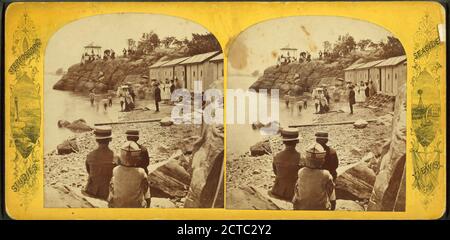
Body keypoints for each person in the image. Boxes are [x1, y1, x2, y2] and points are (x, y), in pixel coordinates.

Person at [292, 143, 336, 210]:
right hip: (320, 209)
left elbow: (297, 189)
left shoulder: (301, 171)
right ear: (322, 160)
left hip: (301, 207)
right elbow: (331, 194)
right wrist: (333, 206)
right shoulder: (326, 174)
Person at [108, 141, 151, 208]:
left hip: (118, 206)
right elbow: (147, 193)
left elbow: (112, 190)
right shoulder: (141, 172)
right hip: (136, 208)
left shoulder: (115, 170)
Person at [83, 126, 117, 200]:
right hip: (107, 193)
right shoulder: (115, 157)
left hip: (91, 190)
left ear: (96, 140)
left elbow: (89, 172)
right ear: (110, 139)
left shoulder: (90, 155)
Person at [270, 128, 302, 201]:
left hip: (277, 190)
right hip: (292, 194)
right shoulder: (301, 158)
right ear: (297, 141)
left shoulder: (277, 156)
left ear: (284, 142)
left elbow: (276, 173)